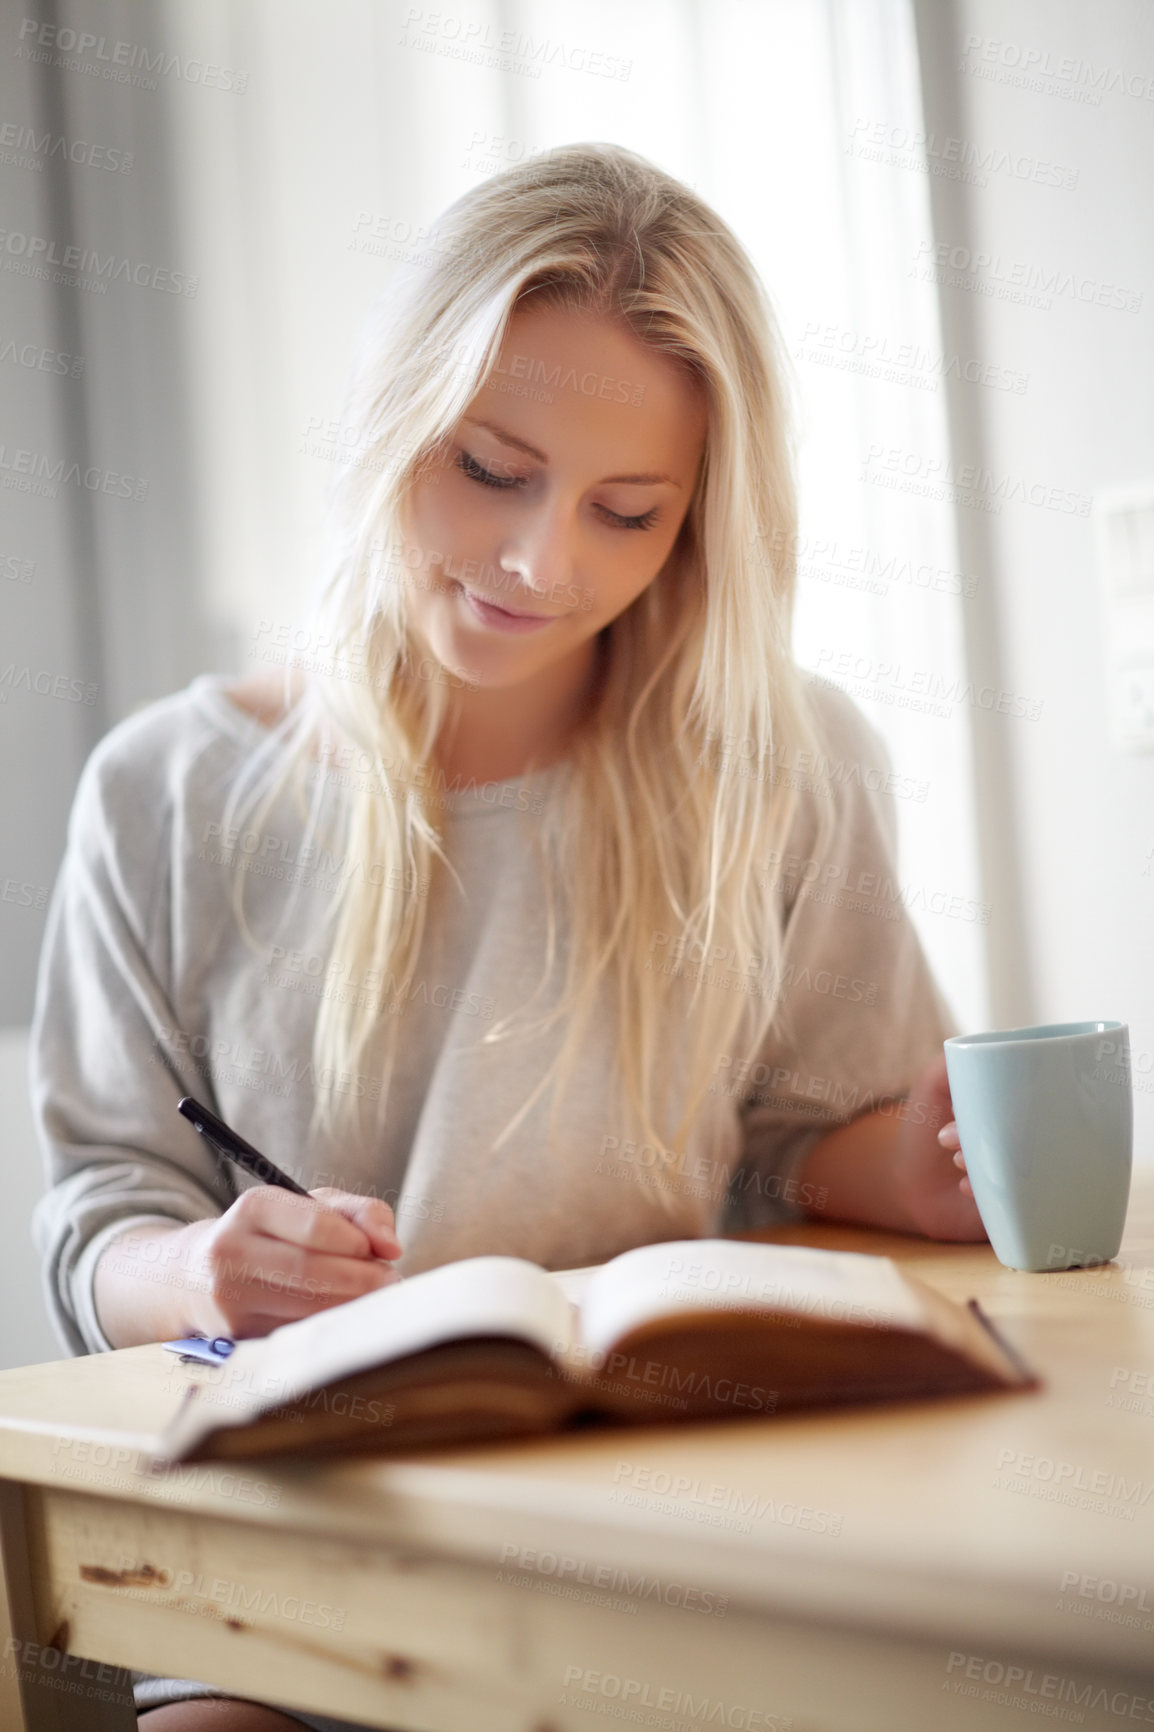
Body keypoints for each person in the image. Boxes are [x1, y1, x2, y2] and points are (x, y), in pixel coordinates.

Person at [29, 142, 981, 1731]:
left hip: (681, 1502)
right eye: (488, 469)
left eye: (628, 511)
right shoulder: (169, 792)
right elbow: (95, 1227)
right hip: (291, 1535)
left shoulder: (784, 765)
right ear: (394, 421)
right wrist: (206, 1264)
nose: (547, 563)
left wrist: (891, 1165)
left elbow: (798, 1145)